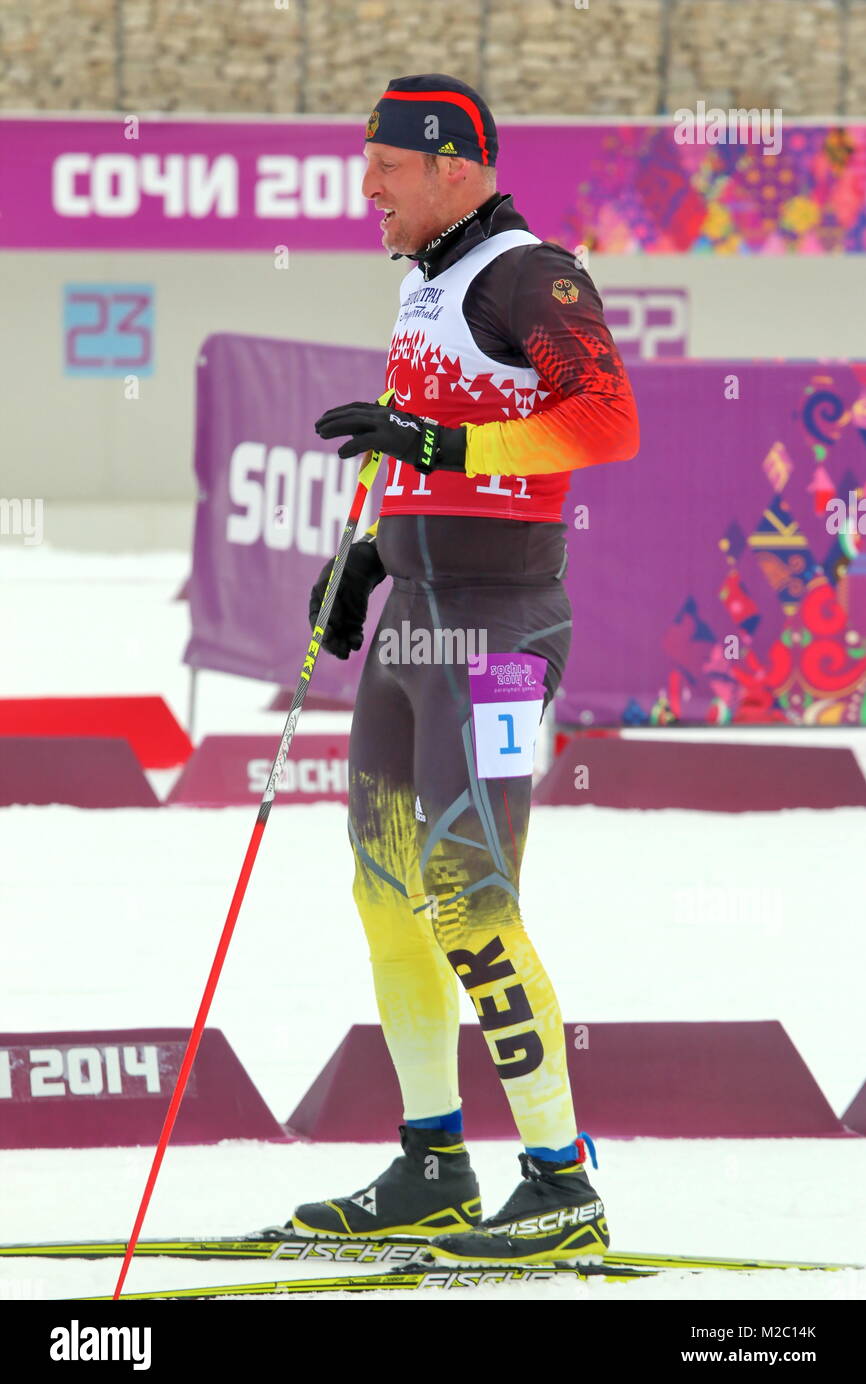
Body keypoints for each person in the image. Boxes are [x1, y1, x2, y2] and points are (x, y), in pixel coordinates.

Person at [289, 74, 639, 1265]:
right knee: (386, 891)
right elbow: (416, 447)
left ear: (446, 162)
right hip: (412, 626)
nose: (366, 189)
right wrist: (362, 554)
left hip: (496, 635)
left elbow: (604, 421)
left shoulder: (525, 273)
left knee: (470, 898)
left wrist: (447, 444)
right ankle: (433, 1162)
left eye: (382, 166)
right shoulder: (428, 280)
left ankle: (560, 1181)